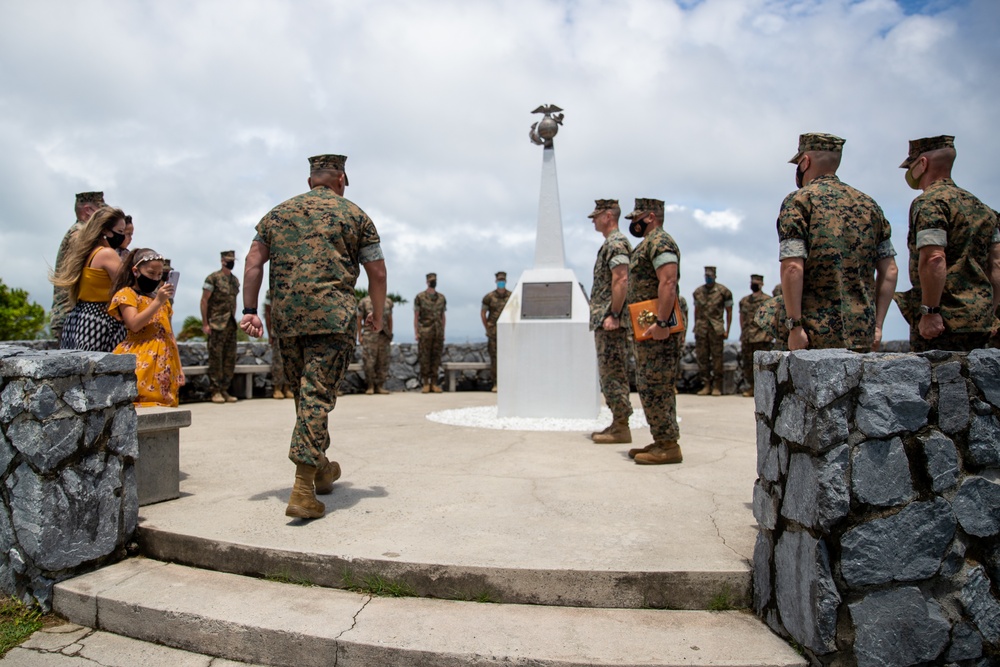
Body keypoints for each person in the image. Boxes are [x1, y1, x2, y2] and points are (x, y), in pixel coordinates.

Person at [240, 153, 386, 520]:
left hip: (287, 319)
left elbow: (253, 262)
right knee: (317, 396)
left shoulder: (277, 214)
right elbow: (378, 273)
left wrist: (250, 310)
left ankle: (320, 470)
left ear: (310, 181)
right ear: (341, 179)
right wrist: (378, 316)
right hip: (332, 319)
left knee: (304, 396)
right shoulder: (355, 215)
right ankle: (303, 489)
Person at [777, 132, 898, 352]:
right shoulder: (870, 205)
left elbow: (792, 267)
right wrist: (877, 326)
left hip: (813, 334)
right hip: (862, 331)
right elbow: (890, 270)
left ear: (805, 162)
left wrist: (795, 327)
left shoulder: (799, 201)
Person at [896, 135, 1000, 352]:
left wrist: (930, 312)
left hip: (942, 324)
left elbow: (934, 258)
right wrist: (990, 313)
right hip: (980, 323)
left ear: (922, 164)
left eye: (911, 165)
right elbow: (997, 266)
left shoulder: (929, 204)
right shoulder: (983, 209)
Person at [624, 198, 683, 465]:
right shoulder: (647, 244)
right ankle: (661, 439)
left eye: (636, 218)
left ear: (650, 216)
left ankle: (669, 445)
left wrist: (661, 323)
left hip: (658, 326)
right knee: (648, 384)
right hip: (647, 324)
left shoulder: (660, 242)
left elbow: (668, 281)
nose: (633, 224)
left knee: (657, 384)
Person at [109, 248, 185, 407]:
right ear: (136, 271)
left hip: (165, 364)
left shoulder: (162, 300)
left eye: (159, 275)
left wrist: (179, 369)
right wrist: (158, 302)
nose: (156, 279)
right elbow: (134, 324)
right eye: (151, 274)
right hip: (141, 361)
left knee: (167, 409)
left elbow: (170, 333)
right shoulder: (127, 294)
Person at [586, 199, 633, 444]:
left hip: (611, 321)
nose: (593, 220)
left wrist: (614, 314)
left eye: (596, 216)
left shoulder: (616, 243)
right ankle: (618, 422)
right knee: (609, 374)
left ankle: (622, 426)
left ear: (608, 216)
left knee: (613, 373)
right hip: (605, 319)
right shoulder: (610, 244)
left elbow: (621, 280)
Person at [50, 206, 128, 352]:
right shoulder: (107, 254)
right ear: (105, 230)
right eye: (120, 232)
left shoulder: (85, 254)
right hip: (101, 319)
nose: (123, 237)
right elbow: (127, 286)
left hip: (79, 319)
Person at [51, 192, 106, 341]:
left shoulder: (80, 231)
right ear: (88, 210)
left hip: (73, 313)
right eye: (100, 211)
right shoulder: (79, 233)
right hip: (71, 313)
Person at [201, 250, 240, 403]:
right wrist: (205, 323)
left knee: (229, 358)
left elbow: (234, 301)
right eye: (228, 260)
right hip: (216, 323)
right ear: (222, 261)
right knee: (216, 358)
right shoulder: (212, 278)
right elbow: (204, 300)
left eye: (233, 260)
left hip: (230, 323)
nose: (231, 263)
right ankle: (215, 391)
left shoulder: (235, 281)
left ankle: (225, 389)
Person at [692, 266, 732, 396]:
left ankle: (717, 386)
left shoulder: (723, 291)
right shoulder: (698, 292)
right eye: (706, 276)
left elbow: (729, 312)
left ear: (715, 276)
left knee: (717, 358)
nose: (708, 278)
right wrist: (696, 326)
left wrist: (727, 330)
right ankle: (706, 385)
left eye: (710, 276)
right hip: (701, 329)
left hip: (716, 329)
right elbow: (696, 311)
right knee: (702, 358)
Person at [738, 274, 773, 397]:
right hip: (747, 337)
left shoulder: (768, 300)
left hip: (761, 337)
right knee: (747, 364)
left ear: (762, 284)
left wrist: (770, 334)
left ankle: (763, 389)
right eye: (752, 282)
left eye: (756, 282)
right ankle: (751, 388)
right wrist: (743, 332)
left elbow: (772, 318)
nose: (753, 284)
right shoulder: (744, 301)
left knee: (763, 365)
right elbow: (741, 317)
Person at [414, 272, 446, 393]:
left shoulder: (441, 298)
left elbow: (443, 316)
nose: (433, 282)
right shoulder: (420, 297)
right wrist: (416, 332)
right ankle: (426, 383)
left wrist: (443, 331)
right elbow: (416, 316)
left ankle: (434, 383)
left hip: (438, 332)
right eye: (431, 280)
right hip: (425, 331)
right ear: (427, 281)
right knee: (424, 358)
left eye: (435, 280)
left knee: (436, 358)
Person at [481, 271, 512, 393]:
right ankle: (496, 383)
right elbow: (483, 313)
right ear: (496, 281)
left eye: (503, 280)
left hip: (508, 332)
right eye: (499, 280)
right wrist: (487, 327)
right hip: (494, 332)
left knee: (508, 357)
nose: (501, 283)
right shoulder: (489, 297)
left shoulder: (511, 296)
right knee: (495, 358)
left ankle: (508, 383)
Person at [357, 292, 394, 394]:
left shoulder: (388, 302)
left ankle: (379, 386)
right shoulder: (364, 302)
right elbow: (359, 319)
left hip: (384, 336)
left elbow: (390, 319)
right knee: (369, 361)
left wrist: (390, 333)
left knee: (383, 361)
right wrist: (359, 336)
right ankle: (370, 386)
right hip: (370, 336)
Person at [263, 289, 292, 399]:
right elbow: (267, 312)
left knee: (290, 361)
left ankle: (287, 387)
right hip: (277, 331)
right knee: (278, 362)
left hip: (292, 331)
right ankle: (277, 388)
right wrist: (270, 334)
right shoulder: (271, 291)